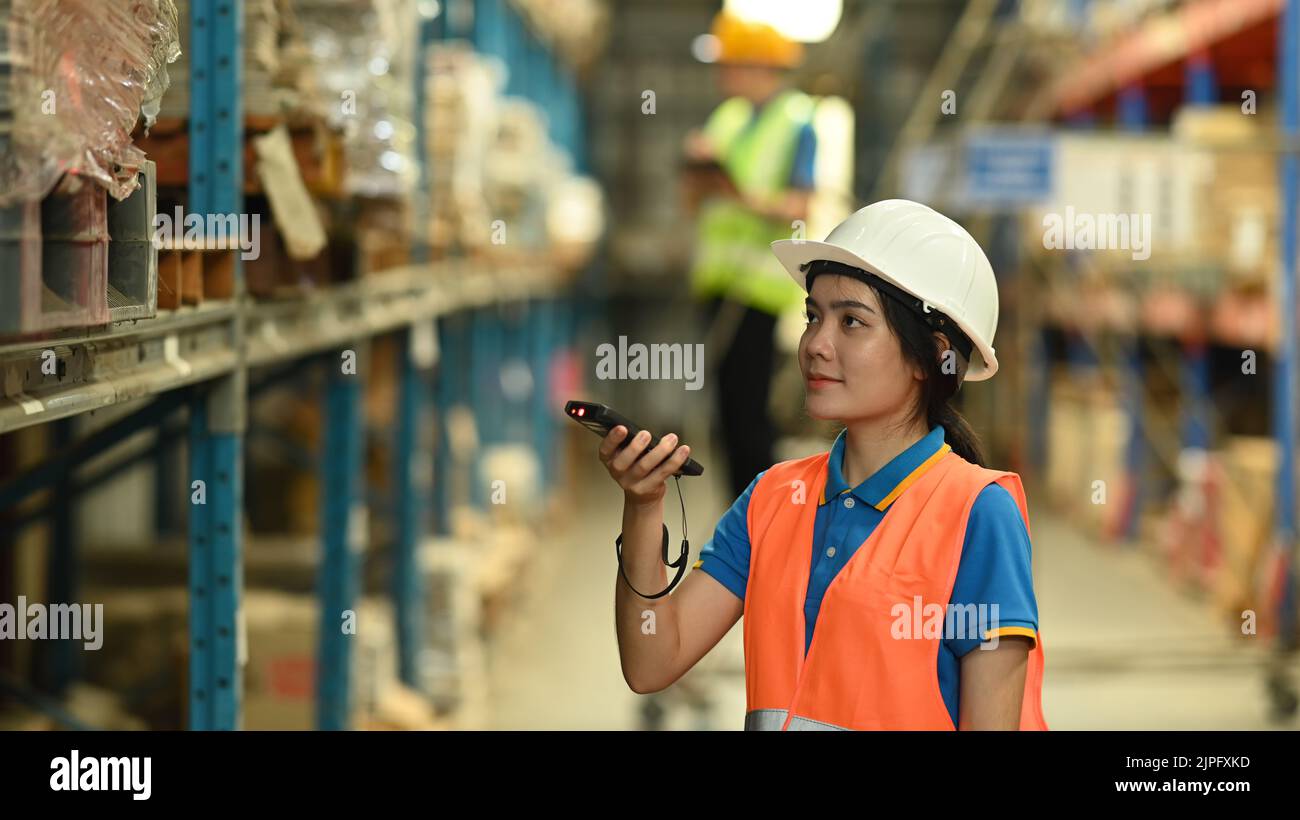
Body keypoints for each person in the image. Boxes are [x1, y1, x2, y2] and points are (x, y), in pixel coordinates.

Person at [601, 199, 1048, 730]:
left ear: (933, 355)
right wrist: (645, 506)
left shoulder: (978, 514)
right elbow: (652, 660)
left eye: (852, 322)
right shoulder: (773, 498)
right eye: (813, 316)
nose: (815, 344)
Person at [684, 10, 818, 500]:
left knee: (750, 417)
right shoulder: (728, 118)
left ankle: (762, 519)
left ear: (757, 66)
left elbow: (800, 205)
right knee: (725, 418)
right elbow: (696, 203)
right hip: (717, 286)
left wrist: (737, 194)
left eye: (729, 63)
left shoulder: (798, 121)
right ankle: (737, 522)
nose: (721, 73)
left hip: (755, 292)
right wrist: (697, 173)